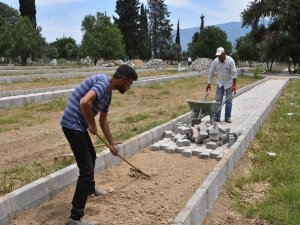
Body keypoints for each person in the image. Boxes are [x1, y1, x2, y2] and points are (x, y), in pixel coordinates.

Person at [60, 65, 138, 225]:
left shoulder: (108, 94)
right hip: (72, 124)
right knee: (86, 169)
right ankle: (75, 218)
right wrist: (91, 123)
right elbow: (84, 102)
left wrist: (112, 144)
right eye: (129, 84)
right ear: (121, 81)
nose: (129, 87)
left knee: (91, 157)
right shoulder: (102, 83)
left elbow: (104, 122)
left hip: (79, 126)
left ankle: (89, 190)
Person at [206, 47, 237, 123]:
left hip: (229, 83)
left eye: (220, 55)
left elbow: (234, 74)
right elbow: (211, 72)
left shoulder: (230, 61)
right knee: (218, 100)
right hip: (220, 83)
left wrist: (234, 85)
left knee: (229, 101)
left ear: (224, 53)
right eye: (217, 56)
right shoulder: (215, 61)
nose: (218, 57)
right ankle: (217, 117)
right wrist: (209, 83)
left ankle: (227, 117)